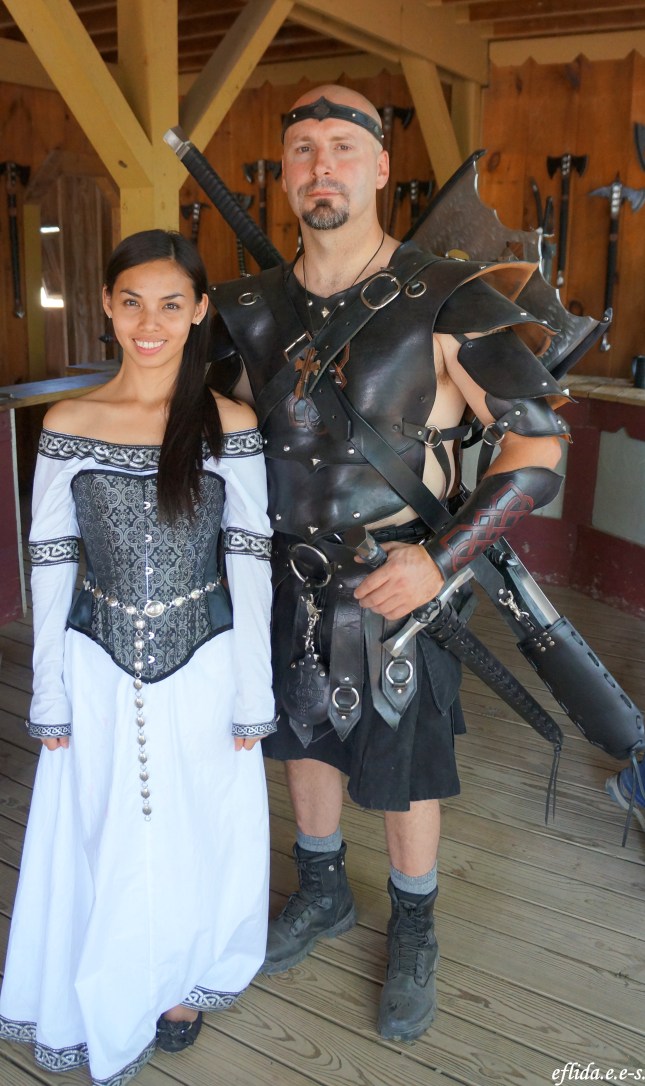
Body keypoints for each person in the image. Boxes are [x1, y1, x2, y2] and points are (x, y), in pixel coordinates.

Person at [209, 84, 570, 1042]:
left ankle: (415, 924)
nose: (320, 166)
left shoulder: (449, 299)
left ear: (377, 168)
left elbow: (536, 450)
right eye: (301, 150)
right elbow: (208, 436)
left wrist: (439, 560)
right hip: (285, 579)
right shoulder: (246, 308)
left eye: (341, 147)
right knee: (301, 738)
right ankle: (321, 888)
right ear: (283, 175)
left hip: (403, 585)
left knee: (406, 763)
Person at [0, 230, 275, 1086]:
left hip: (205, 660)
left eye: (169, 304)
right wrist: (49, 694)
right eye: (130, 303)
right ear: (108, 308)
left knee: (198, 821)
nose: (148, 323)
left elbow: (249, 561)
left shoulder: (230, 424)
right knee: (101, 823)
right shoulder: (69, 423)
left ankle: (183, 979)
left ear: (199, 312)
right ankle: (111, 976)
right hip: (95, 661)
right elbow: (50, 566)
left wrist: (251, 691)